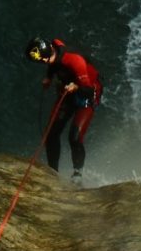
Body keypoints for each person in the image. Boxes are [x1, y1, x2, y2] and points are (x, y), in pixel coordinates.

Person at [26, 37, 102, 183]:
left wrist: (77, 87)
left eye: (47, 58)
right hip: (67, 92)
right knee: (51, 134)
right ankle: (53, 172)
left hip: (87, 93)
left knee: (74, 137)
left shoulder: (74, 60)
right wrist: (48, 77)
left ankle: (77, 174)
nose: (46, 62)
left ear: (51, 51)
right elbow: (52, 64)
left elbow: (88, 89)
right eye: (42, 61)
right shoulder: (52, 52)